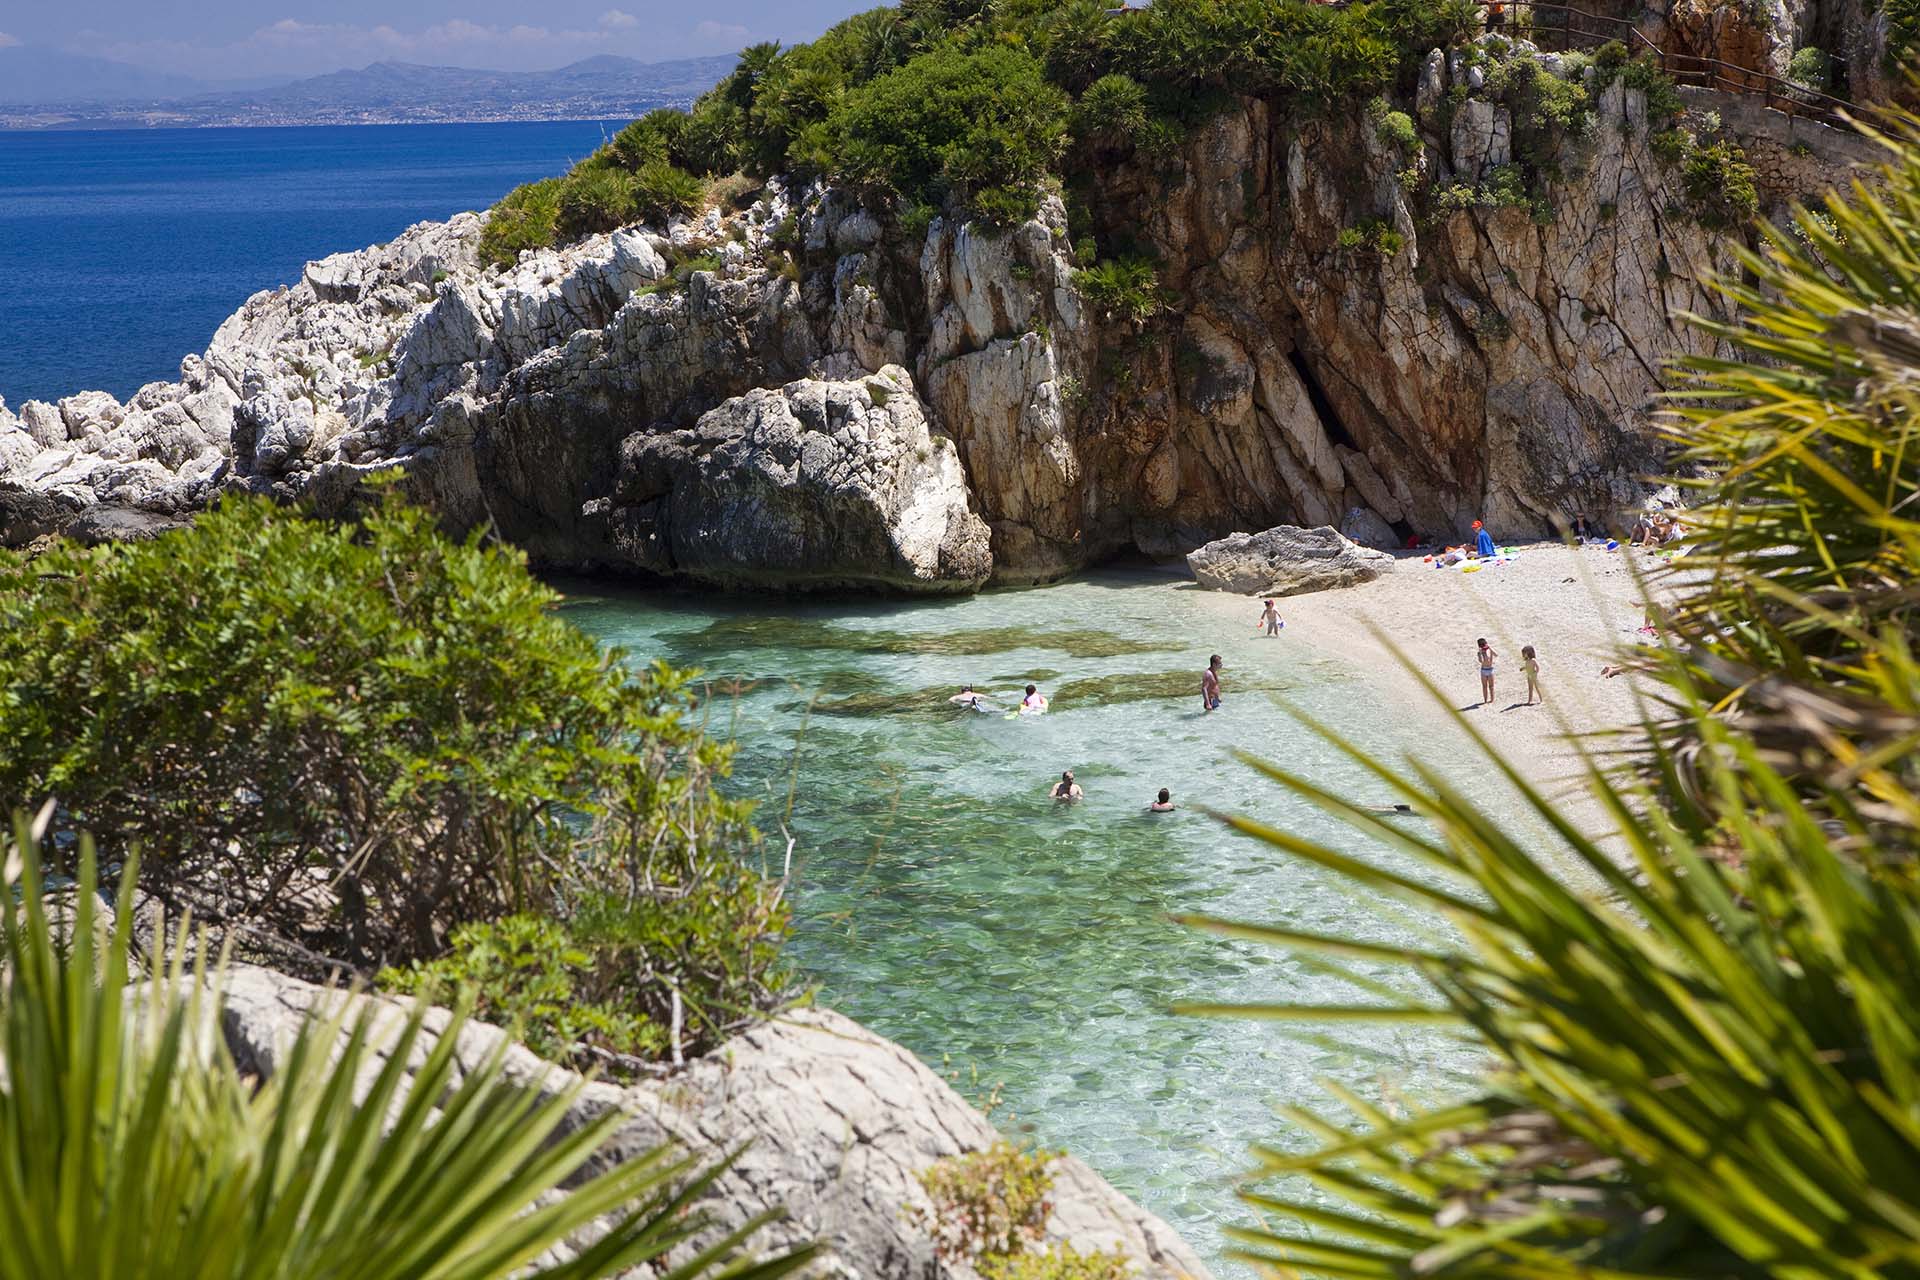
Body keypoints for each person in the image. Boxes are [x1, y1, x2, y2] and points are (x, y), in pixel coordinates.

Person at [1476, 637, 1497, 704]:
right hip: (1483, 670)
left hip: (1490, 670)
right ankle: (1485, 700)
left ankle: (1492, 700)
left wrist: (1490, 648)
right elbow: (1481, 661)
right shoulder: (1480, 653)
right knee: (1484, 686)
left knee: (1491, 686)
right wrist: (1480, 653)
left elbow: (1496, 655)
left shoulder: (1489, 650)